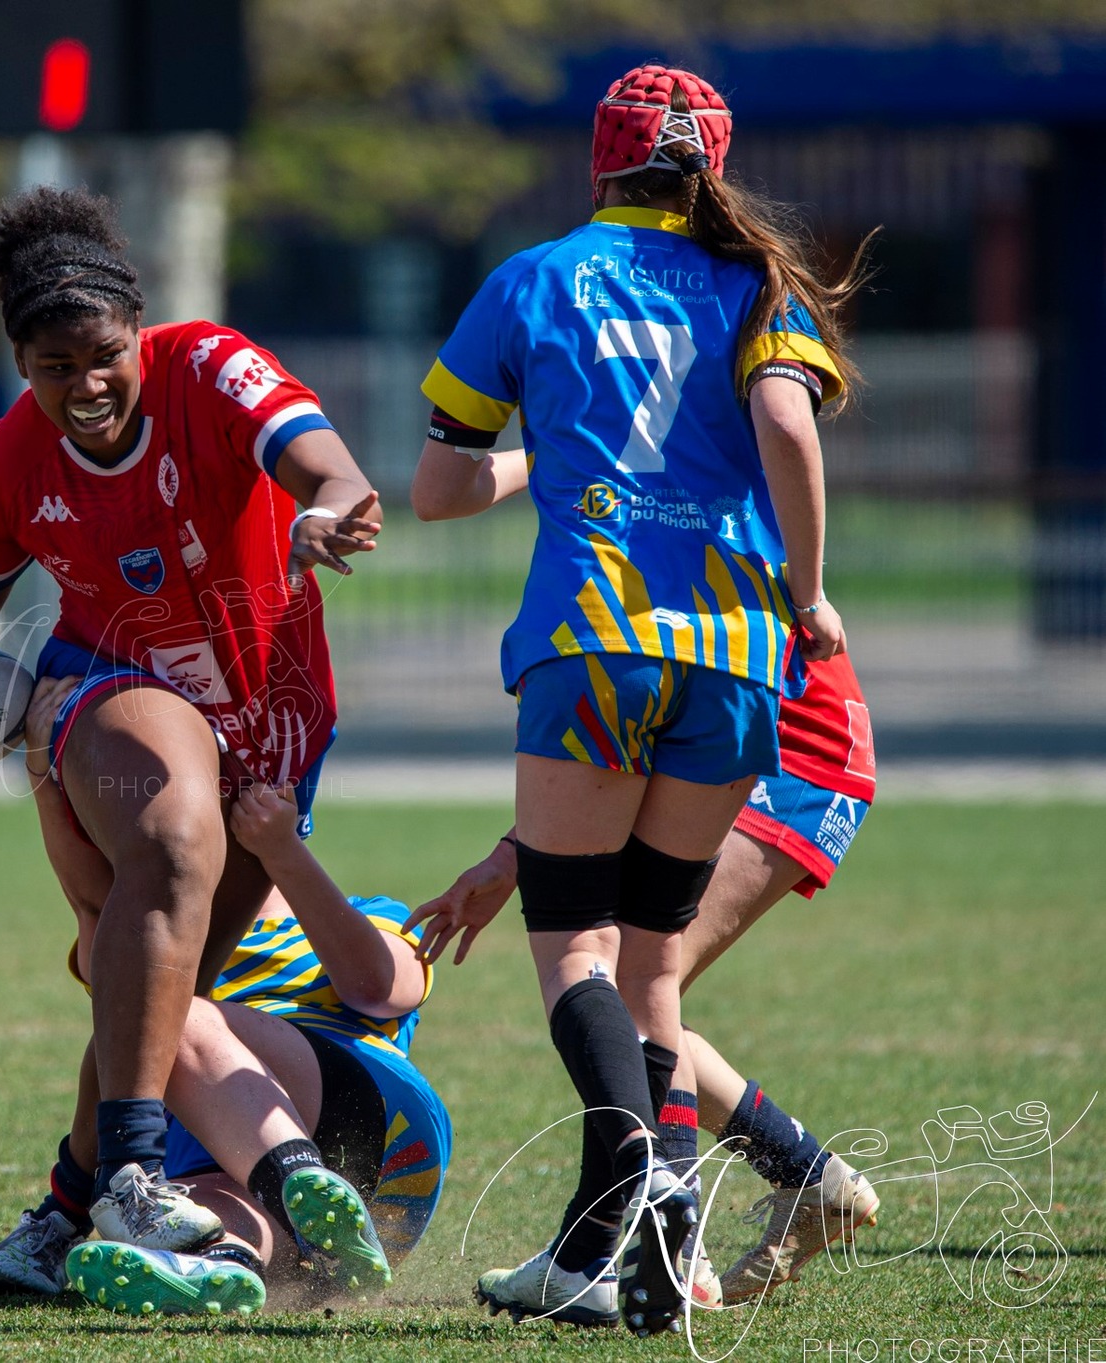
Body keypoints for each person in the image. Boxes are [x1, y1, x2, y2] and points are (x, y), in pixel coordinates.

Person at [407, 64, 869, 1335]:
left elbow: (437, 490)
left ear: (596, 162)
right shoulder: (754, 287)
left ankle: (651, 1175)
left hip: (593, 646)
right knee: (654, 961)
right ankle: (601, 1248)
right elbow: (787, 427)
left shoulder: (535, 278)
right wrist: (810, 590)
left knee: (573, 946)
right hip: (732, 653)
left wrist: (536, 457)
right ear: (710, 171)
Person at [0, 187, 383, 1252]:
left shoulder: (211, 367)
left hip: (273, 717)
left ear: (135, 332)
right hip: (103, 683)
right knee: (168, 833)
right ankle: (136, 1181)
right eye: (52, 368)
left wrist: (328, 509)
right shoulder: (11, 459)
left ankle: (64, 1211)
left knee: (155, 988)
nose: (84, 385)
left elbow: (325, 465)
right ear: (21, 366)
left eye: (101, 354)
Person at [416, 649, 881, 1323]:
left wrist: (809, 597)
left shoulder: (651, 553)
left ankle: (662, 1256)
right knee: (632, 989)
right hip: (762, 721)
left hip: (789, 735)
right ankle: (792, 1181)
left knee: (637, 984)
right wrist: (514, 853)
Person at [0, 680, 453, 1316]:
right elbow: (97, 917)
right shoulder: (150, 938)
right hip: (338, 1213)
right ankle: (216, 1266)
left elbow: (379, 986)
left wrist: (283, 853)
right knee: (205, 1206)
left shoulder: (367, 913)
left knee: (175, 1018)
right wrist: (42, 769)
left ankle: (290, 1181)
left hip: (377, 1124)